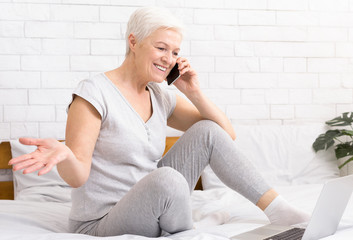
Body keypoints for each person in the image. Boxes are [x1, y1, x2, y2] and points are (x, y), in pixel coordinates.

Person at [8, 7, 309, 237]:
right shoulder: (94, 92)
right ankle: (189, 230)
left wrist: (194, 92)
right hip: (101, 222)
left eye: (175, 52)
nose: (168, 59)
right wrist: (65, 156)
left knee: (204, 131)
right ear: (134, 42)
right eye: (161, 48)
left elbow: (223, 135)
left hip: (154, 203)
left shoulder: (159, 94)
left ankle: (279, 210)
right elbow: (77, 177)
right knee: (167, 179)